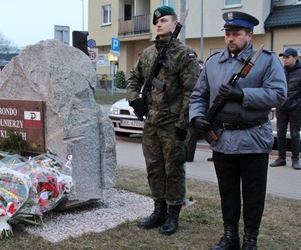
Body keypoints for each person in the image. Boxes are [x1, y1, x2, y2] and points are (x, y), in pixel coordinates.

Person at [189, 11, 287, 250]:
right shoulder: (213, 63)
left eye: (237, 34)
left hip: (253, 137)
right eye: (228, 34)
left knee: (253, 194)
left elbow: (278, 94)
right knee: (228, 191)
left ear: (249, 35)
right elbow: (198, 95)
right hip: (222, 139)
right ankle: (230, 236)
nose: (231, 38)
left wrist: (243, 94)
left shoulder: (266, 60)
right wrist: (197, 116)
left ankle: (250, 239)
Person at [126, 6, 199, 235]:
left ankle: (173, 214)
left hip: (172, 123)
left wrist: (182, 124)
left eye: (164, 20)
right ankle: (158, 210)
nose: (159, 24)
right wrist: (133, 100)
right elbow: (133, 79)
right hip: (151, 123)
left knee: (174, 170)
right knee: (154, 168)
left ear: (175, 24)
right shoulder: (148, 53)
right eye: (156, 20)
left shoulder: (184, 54)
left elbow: (191, 92)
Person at [269, 48, 301, 170]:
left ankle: (295, 159)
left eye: (288, 57)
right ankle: (281, 158)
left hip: (295, 108)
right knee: (280, 133)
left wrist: (299, 105)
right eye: (284, 57)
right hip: (281, 106)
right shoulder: (281, 71)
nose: (285, 60)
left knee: (294, 134)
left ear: (295, 58)